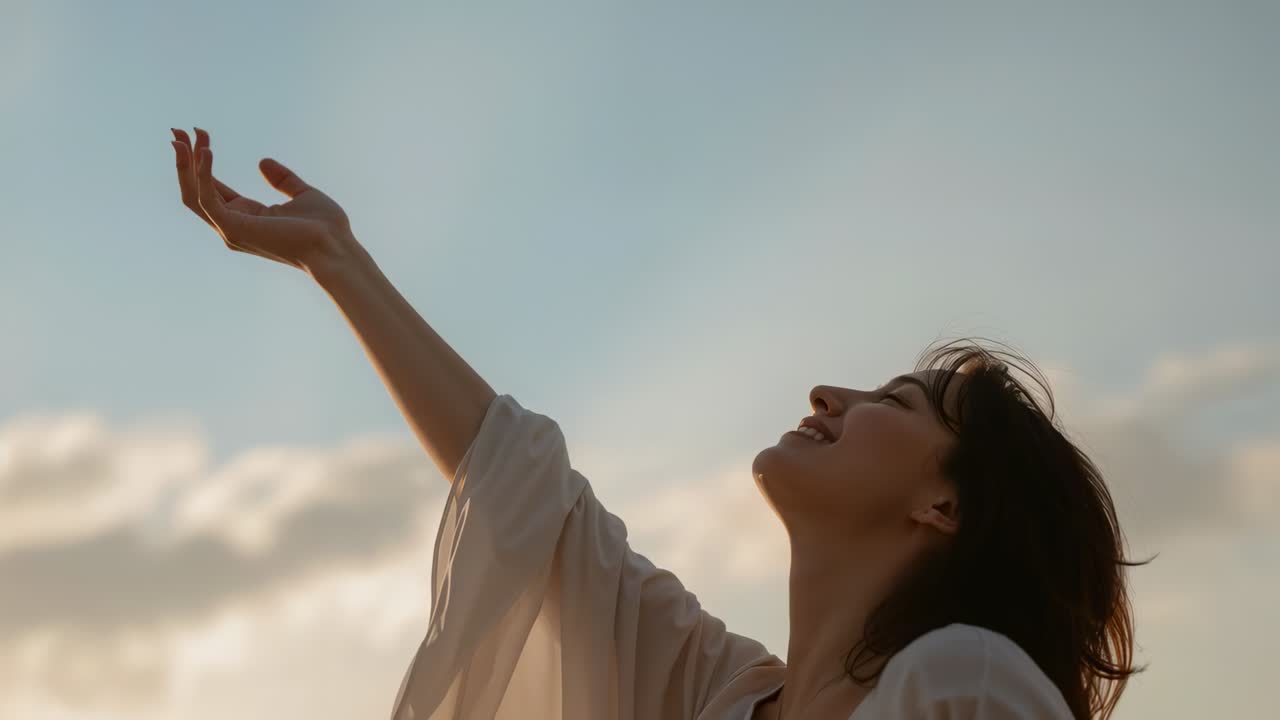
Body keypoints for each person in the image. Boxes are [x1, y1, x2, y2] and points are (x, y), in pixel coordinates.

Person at [169, 128, 1149, 719]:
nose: (825, 396)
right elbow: (523, 492)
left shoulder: (958, 685)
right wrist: (336, 258)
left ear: (943, 502)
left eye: (892, 403)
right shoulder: (711, 694)